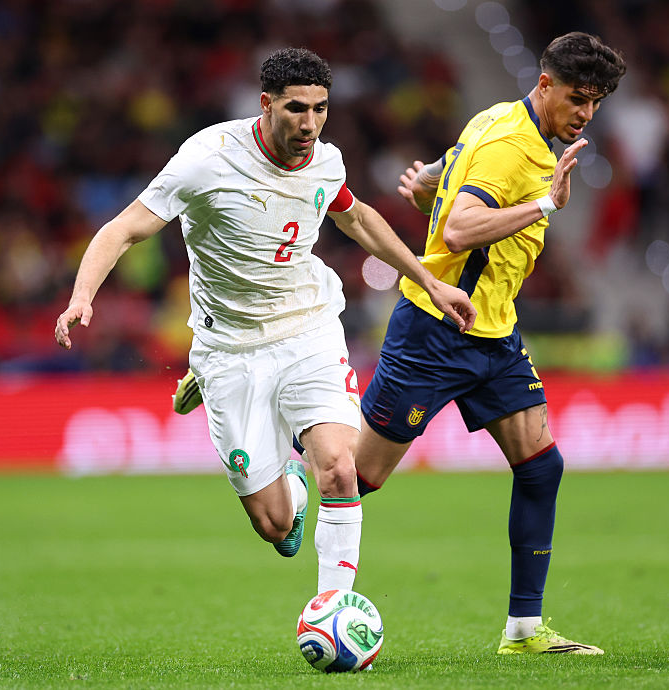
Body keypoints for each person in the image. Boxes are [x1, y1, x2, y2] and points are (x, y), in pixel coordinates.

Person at [55, 47, 476, 597]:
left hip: (308, 329)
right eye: (297, 108)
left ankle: (334, 610)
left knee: (339, 468)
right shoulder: (208, 158)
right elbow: (124, 228)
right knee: (275, 525)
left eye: (321, 109)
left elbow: (357, 218)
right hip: (230, 348)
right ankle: (284, 481)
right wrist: (82, 296)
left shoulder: (325, 160)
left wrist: (430, 281)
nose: (310, 124)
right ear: (265, 104)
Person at [352, 32, 626, 655]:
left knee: (541, 465)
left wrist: (427, 184)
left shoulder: (499, 118)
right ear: (545, 84)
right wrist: (545, 204)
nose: (586, 113)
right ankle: (289, 434)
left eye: (596, 102)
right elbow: (459, 229)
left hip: (494, 332)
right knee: (358, 476)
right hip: (436, 330)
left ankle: (524, 630)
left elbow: (448, 174)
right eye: (578, 98)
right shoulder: (513, 147)